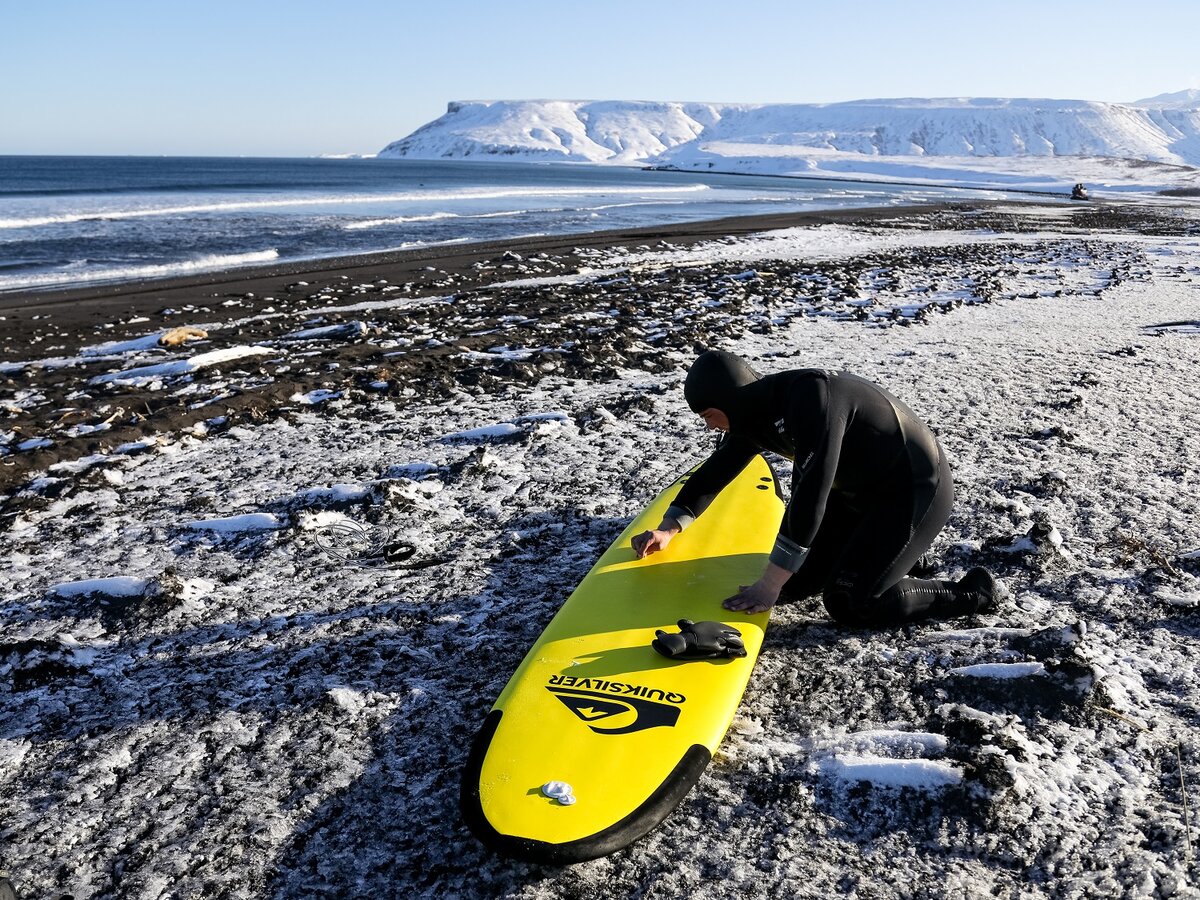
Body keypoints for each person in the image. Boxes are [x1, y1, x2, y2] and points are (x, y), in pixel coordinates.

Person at [630, 350, 996, 627]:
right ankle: (900, 557)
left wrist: (770, 582)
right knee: (798, 583)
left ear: (728, 400)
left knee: (851, 602)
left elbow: (810, 492)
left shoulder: (811, 398)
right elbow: (716, 471)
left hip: (913, 491)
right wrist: (668, 528)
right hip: (855, 493)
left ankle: (973, 592)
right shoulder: (752, 414)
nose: (711, 427)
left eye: (708, 415)